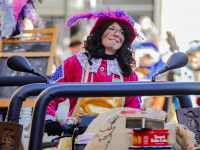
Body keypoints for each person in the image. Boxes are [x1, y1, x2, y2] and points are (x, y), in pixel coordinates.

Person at [44, 7, 142, 138]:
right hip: (76, 138)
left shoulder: (128, 74)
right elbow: (50, 91)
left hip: (113, 139)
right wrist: (49, 120)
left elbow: (135, 110)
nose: (117, 34)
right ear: (100, 33)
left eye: (122, 32)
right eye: (111, 29)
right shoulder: (75, 63)